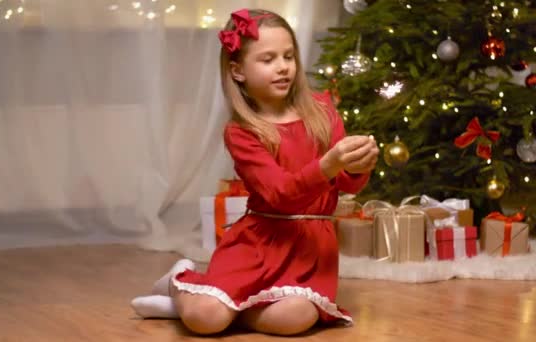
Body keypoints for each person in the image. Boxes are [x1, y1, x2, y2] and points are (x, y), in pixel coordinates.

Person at [131, 8, 379, 336]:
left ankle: (228, 310)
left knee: (295, 318)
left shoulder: (321, 110)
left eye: (288, 56)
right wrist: (329, 164)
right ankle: (182, 286)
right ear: (238, 71)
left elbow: (346, 182)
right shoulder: (242, 132)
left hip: (309, 249)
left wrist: (359, 165)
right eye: (268, 59)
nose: (282, 67)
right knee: (205, 319)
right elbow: (281, 194)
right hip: (258, 244)